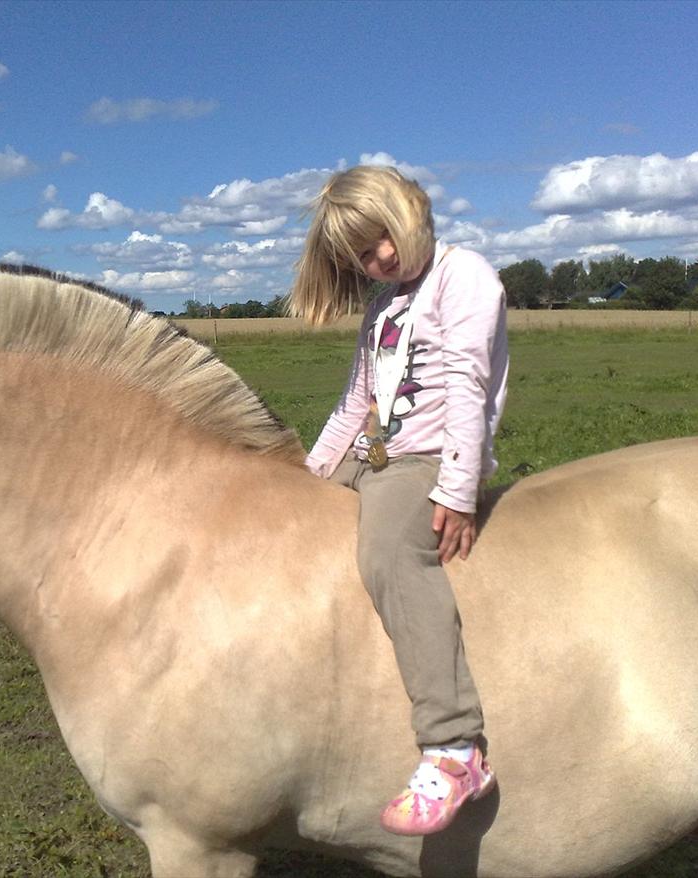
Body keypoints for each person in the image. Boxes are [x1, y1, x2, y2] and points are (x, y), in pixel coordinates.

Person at [289, 165, 509, 836]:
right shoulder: (384, 303)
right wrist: (309, 475)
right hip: (374, 453)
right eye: (361, 253)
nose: (377, 258)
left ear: (408, 210)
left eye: (380, 237)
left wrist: (457, 488)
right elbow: (358, 400)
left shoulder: (463, 275)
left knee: (389, 553)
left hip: (427, 459)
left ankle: (453, 746)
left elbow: (471, 385)